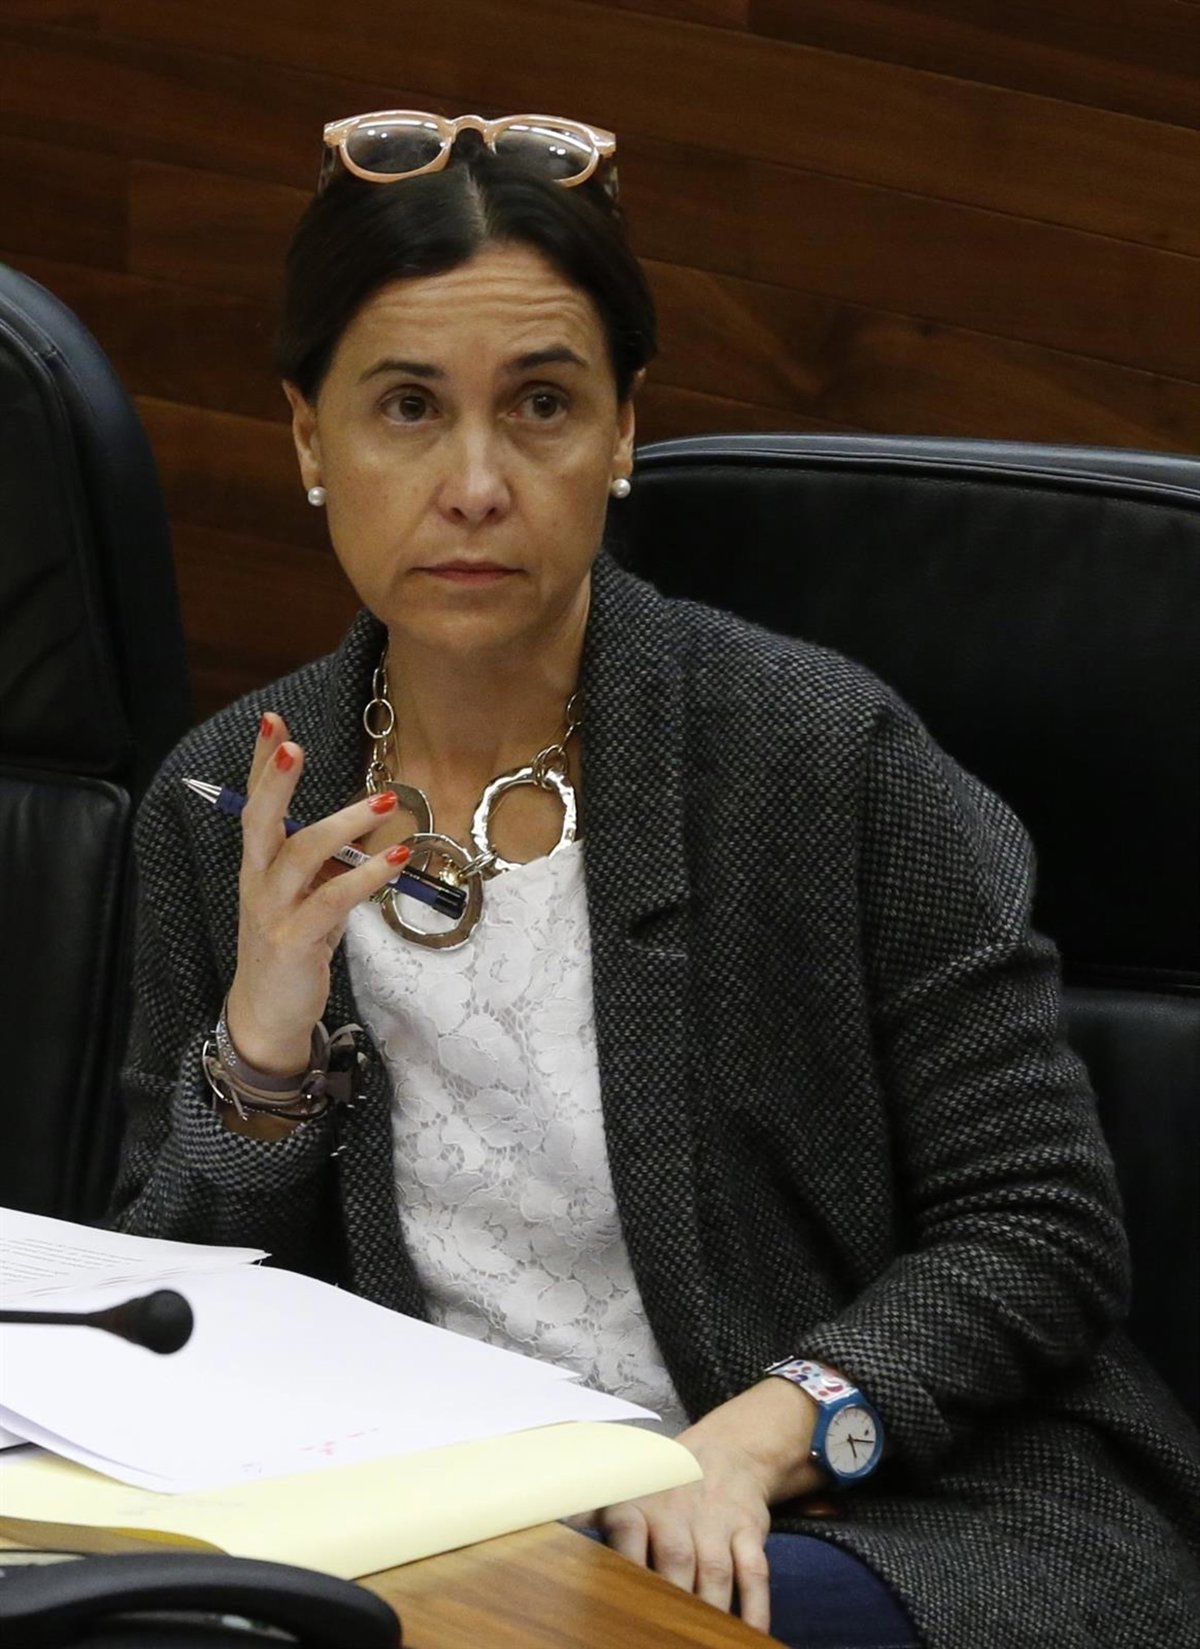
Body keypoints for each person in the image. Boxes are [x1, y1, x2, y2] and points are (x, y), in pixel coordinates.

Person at [110, 110, 1200, 1648]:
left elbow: (1040, 1227)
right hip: (437, 1528)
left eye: (542, 405)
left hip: (878, 1507)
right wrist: (264, 1058)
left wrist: (753, 1439)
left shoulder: (823, 760)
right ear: (307, 439)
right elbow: (160, 1318)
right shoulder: (232, 798)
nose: (474, 481)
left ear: (623, 433)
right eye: (407, 407)